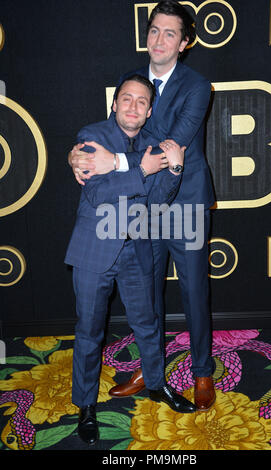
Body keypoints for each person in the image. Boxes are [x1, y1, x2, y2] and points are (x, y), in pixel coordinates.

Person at [69, 0, 216, 412]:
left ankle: (203, 371)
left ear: (184, 43)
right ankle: (152, 371)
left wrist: (111, 162)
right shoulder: (129, 80)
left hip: (185, 203)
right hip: (143, 204)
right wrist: (79, 156)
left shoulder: (198, 85)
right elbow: (114, 135)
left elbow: (169, 147)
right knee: (145, 295)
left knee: (192, 291)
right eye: (154, 30)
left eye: (170, 33)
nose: (159, 40)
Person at [65, 74, 197, 446]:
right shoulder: (92, 136)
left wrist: (172, 168)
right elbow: (97, 193)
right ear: (114, 103)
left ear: (149, 110)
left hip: (138, 248)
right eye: (127, 99)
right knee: (90, 331)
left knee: (148, 324)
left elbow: (158, 201)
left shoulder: (154, 145)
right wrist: (141, 167)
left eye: (142, 102)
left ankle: (156, 385)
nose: (133, 107)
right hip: (94, 250)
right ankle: (86, 405)